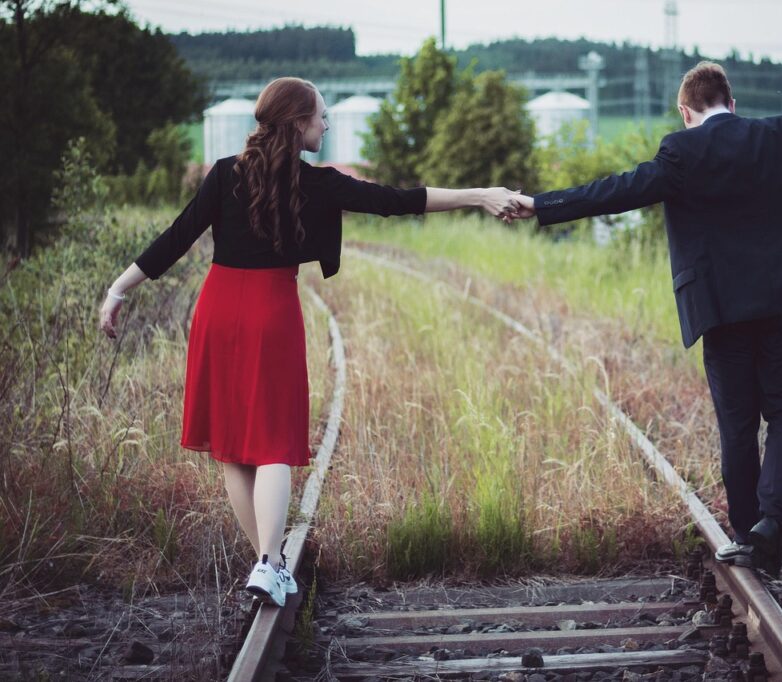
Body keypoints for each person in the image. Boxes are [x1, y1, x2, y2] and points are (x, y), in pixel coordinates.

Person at [509, 62, 782, 577]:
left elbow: (617, 190)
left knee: (738, 424)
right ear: (733, 103)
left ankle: (747, 533)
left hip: (723, 312)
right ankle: (772, 523)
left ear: (686, 111)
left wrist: (540, 205)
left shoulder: (680, 153)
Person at [98, 77, 522, 607]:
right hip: (270, 311)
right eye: (322, 115)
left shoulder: (225, 173)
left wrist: (118, 288)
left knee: (234, 447)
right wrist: (480, 195)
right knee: (274, 441)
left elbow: (177, 237)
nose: (327, 124)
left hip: (218, 308)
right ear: (298, 123)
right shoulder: (319, 183)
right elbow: (400, 201)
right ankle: (271, 564)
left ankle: (267, 566)